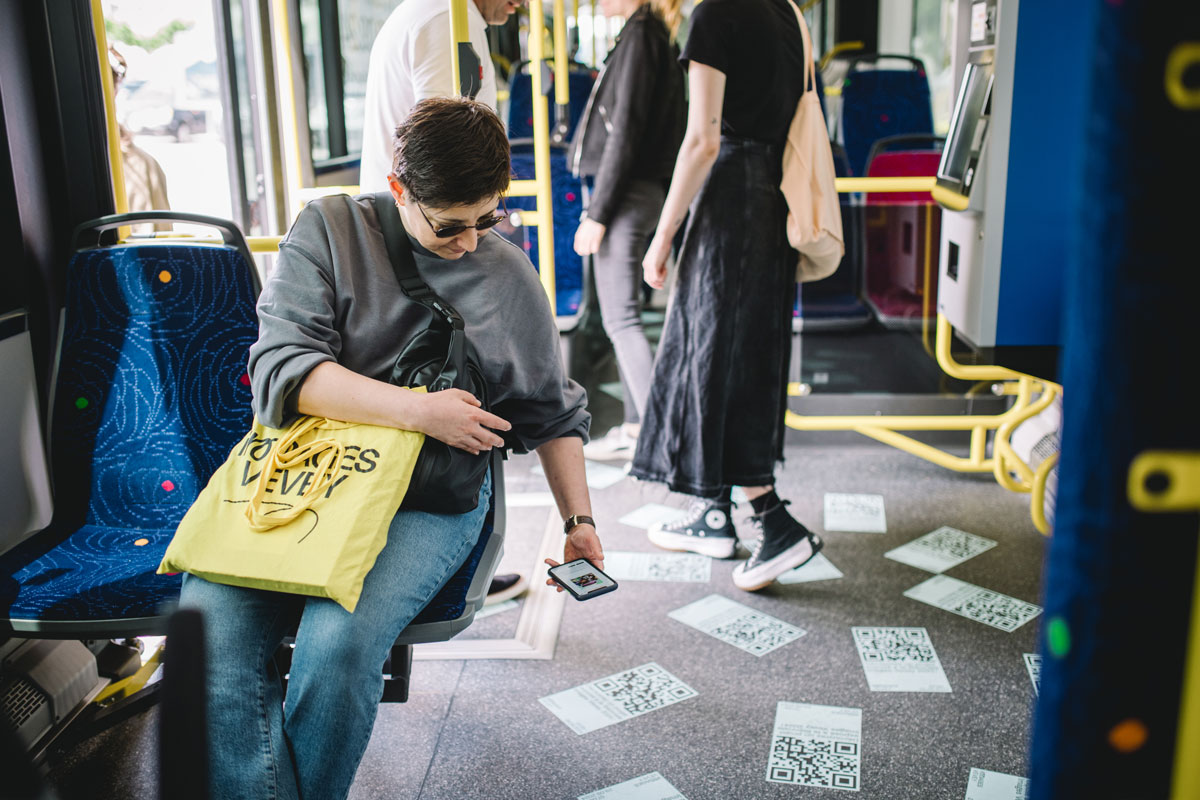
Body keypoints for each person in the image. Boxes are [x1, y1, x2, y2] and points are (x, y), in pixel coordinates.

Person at [180, 98, 604, 800]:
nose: (471, 242)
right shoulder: (331, 229)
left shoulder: (505, 274)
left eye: (487, 219)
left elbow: (552, 411)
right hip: (309, 476)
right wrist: (418, 412)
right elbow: (282, 369)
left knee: (337, 649)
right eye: (450, 226)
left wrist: (579, 523)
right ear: (400, 189)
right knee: (212, 640)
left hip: (430, 494)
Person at [631, 0, 822, 591]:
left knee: (714, 356)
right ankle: (713, 510)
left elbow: (702, 142)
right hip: (772, 198)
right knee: (739, 354)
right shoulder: (787, 13)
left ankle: (772, 520)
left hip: (730, 202)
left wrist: (661, 237)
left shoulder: (713, 14)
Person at [359, 0, 529, 600]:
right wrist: (473, 233)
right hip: (416, 239)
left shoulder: (449, 20)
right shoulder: (443, 20)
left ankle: (462, 532)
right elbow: (445, 142)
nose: (520, 5)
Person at [568, 0, 685, 462]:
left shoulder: (640, 35)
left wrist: (598, 211)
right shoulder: (651, 33)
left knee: (622, 319)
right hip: (639, 192)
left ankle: (660, 435)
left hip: (626, 194)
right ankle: (639, 426)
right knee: (625, 316)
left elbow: (626, 132)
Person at [358, 0, 525, 195]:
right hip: (422, 214)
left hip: (414, 210)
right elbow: (443, 148)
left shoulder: (434, 12)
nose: (526, 3)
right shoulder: (449, 20)